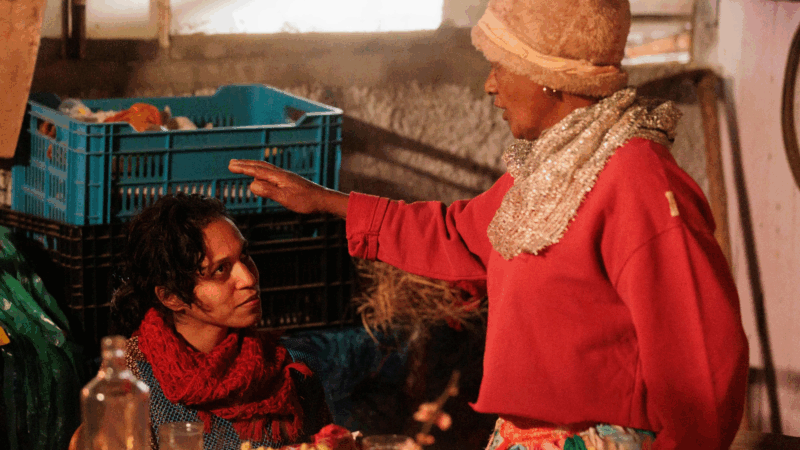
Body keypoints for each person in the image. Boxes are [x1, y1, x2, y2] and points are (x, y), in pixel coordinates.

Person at [228, 0, 749, 448]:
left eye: (501, 65)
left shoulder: (637, 180)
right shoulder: (551, 168)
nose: (489, 85)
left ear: (549, 75)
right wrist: (323, 201)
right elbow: (458, 234)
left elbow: (701, 369)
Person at [71, 193, 333, 450]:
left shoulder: (293, 374)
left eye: (244, 257)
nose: (249, 279)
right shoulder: (132, 384)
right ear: (172, 297)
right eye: (220, 269)